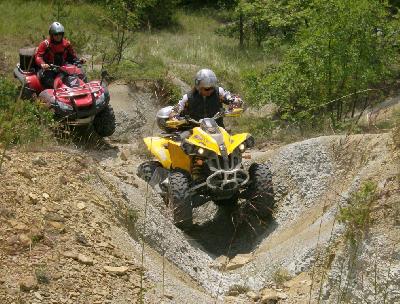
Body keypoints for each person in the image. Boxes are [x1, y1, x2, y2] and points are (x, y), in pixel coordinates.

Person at [169, 69, 243, 127]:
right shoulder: (188, 98)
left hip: (217, 129)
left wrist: (236, 102)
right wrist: (174, 117)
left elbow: (232, 98)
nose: (210, 91)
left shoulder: (219, 92)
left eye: (212, 88)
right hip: (195, 132)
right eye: (207, 89)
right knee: (183, 142)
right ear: (198, 87)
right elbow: (175, 110)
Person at [35, 22, 85, 88]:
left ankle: (81, 89)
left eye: (60, 34)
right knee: (48, 81)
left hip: (63, 67)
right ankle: (53, 93)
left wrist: (79, 60)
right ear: (51, 35)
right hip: (49, 69)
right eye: (56, 34)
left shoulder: (66, 44)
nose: (58, 36)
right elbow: (38, 57)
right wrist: (43, 64)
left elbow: (72, 57)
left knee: (80, 73)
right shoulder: (45, 44)